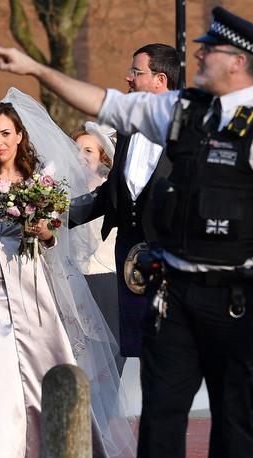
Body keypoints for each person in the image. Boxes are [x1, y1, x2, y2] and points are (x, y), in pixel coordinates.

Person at [0, 5, 253, 458]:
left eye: (211, 49)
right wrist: (37, 69)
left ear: (238, 61)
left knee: (233, 408)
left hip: (235, 292)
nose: (199, 53)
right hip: (174, 290)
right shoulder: (178, 111)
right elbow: (103, 102)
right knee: (162, 406)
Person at [0, 90, 136, 458]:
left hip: (28, 270)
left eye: (5, 134)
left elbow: (53, 236)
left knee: (45, 356)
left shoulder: (41, 178)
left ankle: (55, 447)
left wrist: (44, 231)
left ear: (19, 136)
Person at [70, 44, 180, 361]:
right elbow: (112, 194)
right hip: (131, 261)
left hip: (173, 261)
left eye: (136, 71)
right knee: (140, 354)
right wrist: (59, 217)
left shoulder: (190, 128)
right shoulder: (128, 128)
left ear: (160, 80)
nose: (127, 77)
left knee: (175, 355)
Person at [71, 122, 123, 373]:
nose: (80, 156)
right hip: (76, 279)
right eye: (77, 149)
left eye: (88, 151)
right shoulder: (64, 190)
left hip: (107, 277)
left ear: (103, 157)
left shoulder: (111, 192)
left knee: (111, 351)